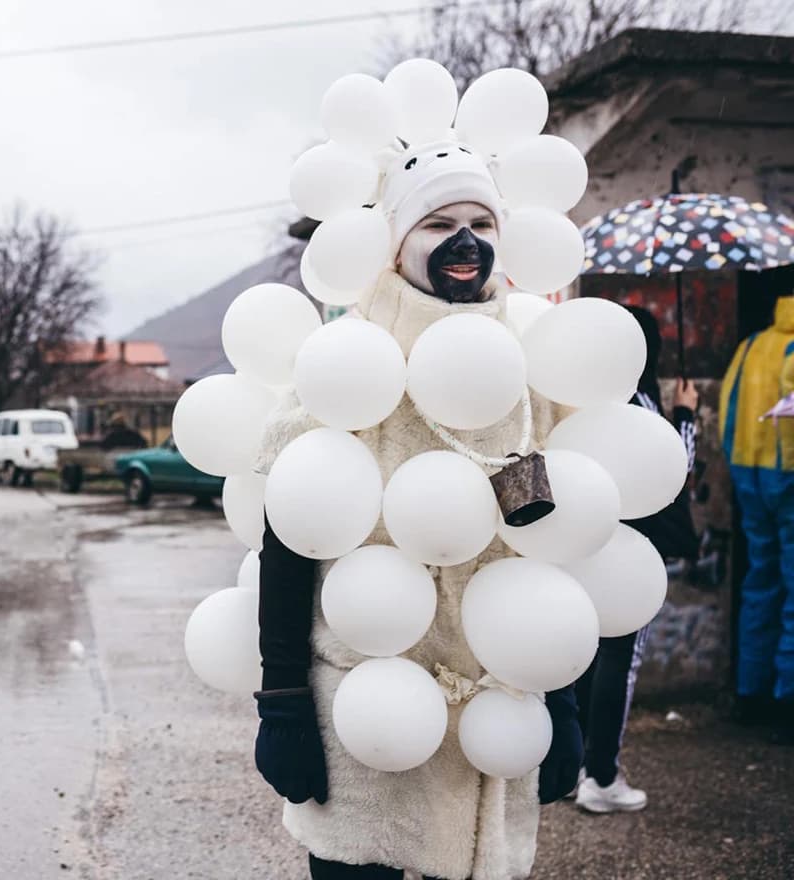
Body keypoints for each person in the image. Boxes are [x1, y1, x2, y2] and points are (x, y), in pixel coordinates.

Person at [252, 143, 583, 880]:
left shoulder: (529, 378)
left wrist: (563, 699)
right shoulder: (346, 364)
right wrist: (282, 701)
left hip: (491, 721)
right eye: (437, 223)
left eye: (481, 224)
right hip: (366, 718)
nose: (465, 242)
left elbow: (550, 551)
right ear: (396, 245)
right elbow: (288, 542)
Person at [572, 306, 699, 813]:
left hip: (592, 539)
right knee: (620, 661)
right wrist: (685, 414)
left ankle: (577, 765)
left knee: (587, 654)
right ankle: (602, 776)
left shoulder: (589, 395)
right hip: (635, 548)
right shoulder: (640, 401)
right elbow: (674, 470)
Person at [719, 293, 794, 745]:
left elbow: (728, 413)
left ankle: (750, 691)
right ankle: (787, 698)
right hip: (788, 476)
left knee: (760, 580)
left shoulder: (750, 346)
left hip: (748, 475)